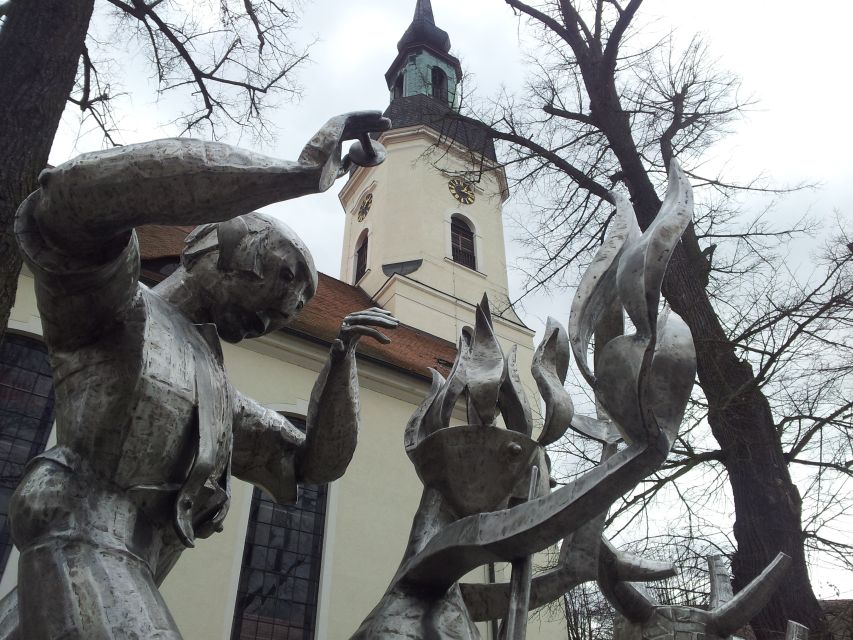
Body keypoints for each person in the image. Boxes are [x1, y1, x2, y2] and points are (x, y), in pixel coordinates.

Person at [5, 112, 397, 639]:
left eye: (292, 309)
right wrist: (298, 175)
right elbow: (78, 197)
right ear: (217, 253)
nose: (278, 316)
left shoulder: (213, 388)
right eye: (278, 283)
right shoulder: (116, 308)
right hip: (78, 531)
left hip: (129, 563)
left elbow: (312, 463)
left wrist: (342, 356)